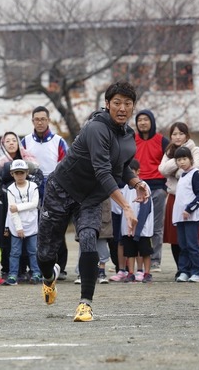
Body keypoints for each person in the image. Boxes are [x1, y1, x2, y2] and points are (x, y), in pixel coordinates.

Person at [37, 81, 149, 322]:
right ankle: (49, 279)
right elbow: (102, 170)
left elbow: (122, 166)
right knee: (46, 254)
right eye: (117, 103)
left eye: (128, 104)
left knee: (89, 240)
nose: (122, 108)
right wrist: (126, 206)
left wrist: (136, 182)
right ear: (107, 104)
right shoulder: (96, 128)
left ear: (133, 107)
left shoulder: (129, 136)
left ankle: (85, 304)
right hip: (62, 189)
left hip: (90, 198)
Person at [21, 106, 70, 280]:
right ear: (32, 121)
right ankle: (33, 268)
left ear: (48, 120)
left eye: (43, 119)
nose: (40, 122)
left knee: (56, 228)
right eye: (37, 119)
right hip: (31, 188)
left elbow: (65, 165)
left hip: (55, 187)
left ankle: (60, 267)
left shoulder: (59, 141)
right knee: (32, 228)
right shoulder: (25, 141)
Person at [158, 122, 199, 277]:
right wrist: (178, 158)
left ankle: (195, 270)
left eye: (181, 133)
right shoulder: (169, 151)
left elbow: (191, 171)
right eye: (174, 134)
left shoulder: (195, 149)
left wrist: (175, 168)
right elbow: (162, 170)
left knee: (192, 239)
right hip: (174, 197)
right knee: (176, 238)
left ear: (187, 135)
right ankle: (182, 270)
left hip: (191, 199)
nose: (177, 137)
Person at [134, 110, 169, 272]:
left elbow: (171, 161)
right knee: (134, 225)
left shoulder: (162, 141)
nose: (142, 123)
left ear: (152, 121)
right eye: (139, 120)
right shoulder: (131, 140)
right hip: (136, 188)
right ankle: (133, 261)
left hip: (157, 188)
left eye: (146, 119)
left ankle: (155, 260)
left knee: (156, 227)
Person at [172, 146, 199, 282]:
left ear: (191, 159)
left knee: (192, 245)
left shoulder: (196, 174)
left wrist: (189, 209)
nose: (181, 162)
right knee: (182, 245)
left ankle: (197, 272)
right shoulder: (182, 176)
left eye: (184, 159)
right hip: (181, 218)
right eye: (179, 160)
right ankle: (184, 271)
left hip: (191, 217)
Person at [4, 160, 41, 286]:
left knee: (33, 251)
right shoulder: (10, 190)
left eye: (22, 173)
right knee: (15, 252)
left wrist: (18, 207)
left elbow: (35, 204)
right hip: (16, 225)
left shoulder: (33, 186)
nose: (19, 175)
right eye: (16, 173)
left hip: (31, 224)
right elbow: (12, 211)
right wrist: (19, 228)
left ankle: (36, 273)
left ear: (27, 173)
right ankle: (13, 275)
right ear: (12, 174)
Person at [120, 160, 154, 283]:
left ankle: (147, 273)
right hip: (127, 228)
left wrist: (138, 226)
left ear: (138, 172)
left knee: (145, 251)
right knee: (130, 252)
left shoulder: (143, 186)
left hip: (142, 228)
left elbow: (146, 208)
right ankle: (130, 273)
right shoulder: (124, 188)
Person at [74, 199, 113, 285]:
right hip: (84, 216)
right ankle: (82, 274)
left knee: (102, 248)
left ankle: (101, 272)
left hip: (102, 217)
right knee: (84, 246)